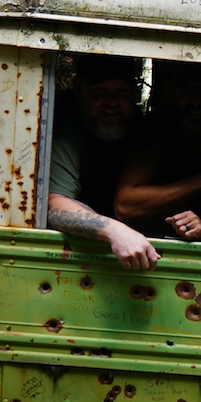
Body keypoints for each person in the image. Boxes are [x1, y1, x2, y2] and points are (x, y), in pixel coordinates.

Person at [44, 55, 157, 270]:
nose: (112, 102)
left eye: (121, 92)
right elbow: (53, 203)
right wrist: (114, 231)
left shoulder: (143, 129)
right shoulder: (65, 128)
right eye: (101, 91)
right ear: (78, 89)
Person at [116, 65, 201, 243]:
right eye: (185, 92)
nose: (195, 101)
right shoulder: (160, 130)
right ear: (173, 95)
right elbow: (125, 205)